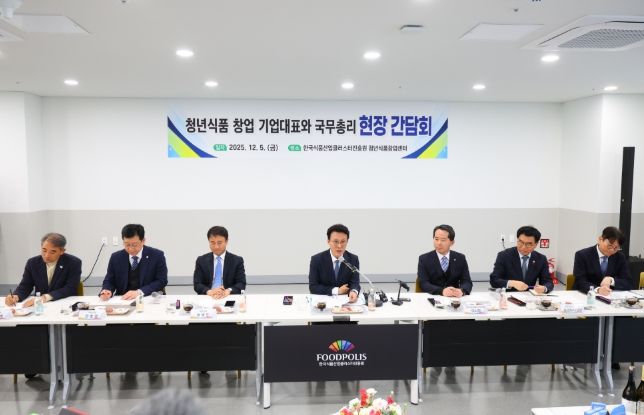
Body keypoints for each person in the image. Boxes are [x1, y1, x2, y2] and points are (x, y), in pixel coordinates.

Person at [5, 232, 82, 307]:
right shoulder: (32, 263)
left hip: (63, 304)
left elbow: (70, 288)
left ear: (62, 251)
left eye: (53, 252)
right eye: (44, 250)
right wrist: (16, 296)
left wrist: (46, 297)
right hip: (40, 307)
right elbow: (25, 286)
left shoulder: (74, 263)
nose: (47, 255)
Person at [99, 224, 167, 301]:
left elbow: (162, 280)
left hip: (148, 299)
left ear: (143, 241)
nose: (131, 249)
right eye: (127, 244)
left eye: (134, 245)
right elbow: (109, 280)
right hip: (123, 299)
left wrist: (139, 292)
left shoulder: (157, 256)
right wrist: (107, 290)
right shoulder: (116, 257)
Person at [490, 225, 553, 293]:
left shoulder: (541, 259)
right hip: (508, 295)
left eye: (528, 244)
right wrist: (512, 283)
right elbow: (494, 280)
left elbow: (548, 282)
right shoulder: (504, 255)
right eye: (521, 242)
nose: (523, 247)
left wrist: (544, 288)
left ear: (535, 244)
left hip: (529, 295)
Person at [573, 226, 632, 295]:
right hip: (585, 295)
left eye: (616, 248)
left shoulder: (620, 257)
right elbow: (580, 282)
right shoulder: (582, 255)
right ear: (600, 239)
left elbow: (628, 282)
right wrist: (597, 289)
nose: (612, 250)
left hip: (609, 296)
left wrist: (611, 280)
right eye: (610, 245)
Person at [308, 224, 360, 303]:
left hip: (346, 303)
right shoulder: (317, 260)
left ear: (347, 242)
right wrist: (337, 291)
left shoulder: (353, 259)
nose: (339, 246)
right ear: (328, 241)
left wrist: (354, 291)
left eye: (343, 242)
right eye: (336, 241)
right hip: (324, 303)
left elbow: (355, 283)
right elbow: (313, 287)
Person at [418, 224, 472, 297]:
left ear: (452, 242)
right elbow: (424, 284)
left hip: (454, 298)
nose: (439, 243)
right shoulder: (424, 259)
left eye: (443, 240)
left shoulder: (460, 258)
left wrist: (462, 291)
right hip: (433, 297)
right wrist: (442, 291)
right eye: (436, 239)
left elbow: (467, 282)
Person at [193, 226, 246, 299]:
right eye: (212, 243)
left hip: (228, 297)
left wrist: (228, 291)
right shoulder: (201, 260)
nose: (216, 247)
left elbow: (241, 283)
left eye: (219, 243)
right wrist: (209, 291)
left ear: (226, 241)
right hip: (208, 297)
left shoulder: (237, 260)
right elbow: (197, 284)